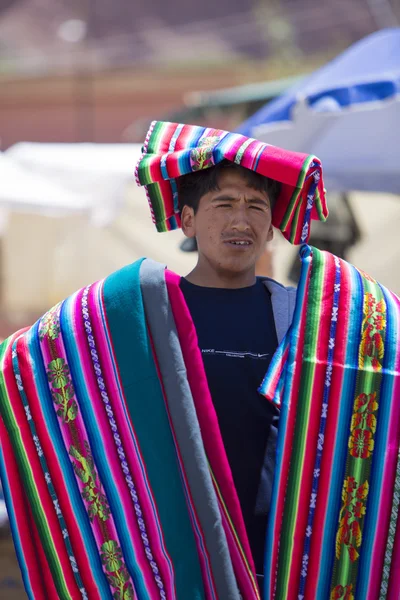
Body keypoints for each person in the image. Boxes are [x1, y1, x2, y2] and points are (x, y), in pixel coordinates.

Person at [176, 160, 292, 583]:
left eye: (257, 207)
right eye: (223, 204)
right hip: (177, 547)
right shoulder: (152, 313)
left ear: (271, 228)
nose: (241, 220)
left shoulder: (302, 319)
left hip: (278, 552)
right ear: (187, 220)